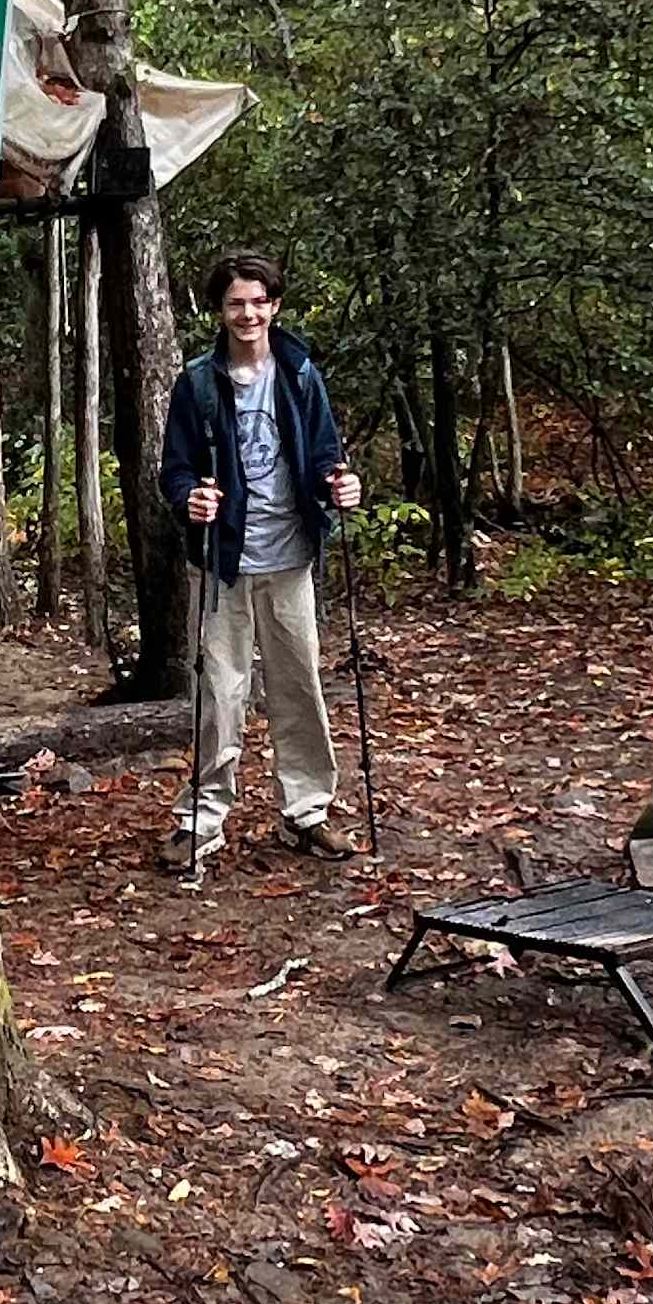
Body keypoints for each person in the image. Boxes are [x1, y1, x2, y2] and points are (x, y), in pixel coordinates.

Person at [154, 250, 366, 872]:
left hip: (290, 555)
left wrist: (342, 485)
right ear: (219, 312)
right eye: (234, 303)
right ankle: (203, 820)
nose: (247, 313)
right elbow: (176, 469)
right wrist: (189, 498)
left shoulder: (300, 374)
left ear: (274, 306)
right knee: (219, 693)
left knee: (298, 686)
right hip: (222, 563)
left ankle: (308, 812)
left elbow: (329, 456)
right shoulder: (197, 383)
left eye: (256, 302)